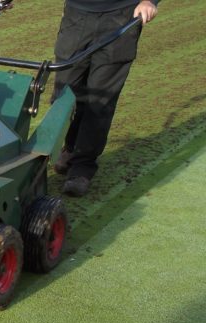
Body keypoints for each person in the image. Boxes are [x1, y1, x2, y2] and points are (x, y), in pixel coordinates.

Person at [52, 0, 159, 197]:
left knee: (99, 100)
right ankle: (71, 147)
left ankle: (82, 168)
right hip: (77, 16)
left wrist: (150, 1)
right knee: (64, 94)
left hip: (121, 17)